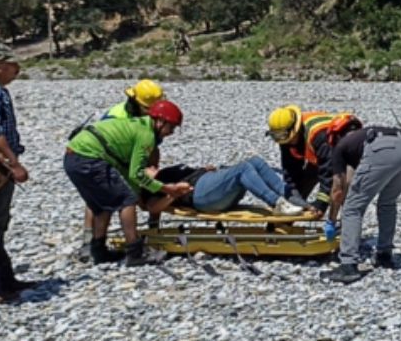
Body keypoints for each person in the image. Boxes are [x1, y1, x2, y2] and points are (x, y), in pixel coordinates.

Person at [64, 100, 192, 266]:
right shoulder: (146, 135)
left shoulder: (136, 125)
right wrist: (166, 188)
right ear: (160, 122)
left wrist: (139, 191)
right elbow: (137, 173)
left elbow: (126, 170)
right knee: (127, 201)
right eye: (172, 127)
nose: (172, 132)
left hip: (72, 158)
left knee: (101, 205)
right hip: (89, 158)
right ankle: (135, 253)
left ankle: (98, 250)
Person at [78, 79, 166, 261]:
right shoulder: (117, 116)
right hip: (106, 157)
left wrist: (151, 169)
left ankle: (152, 229)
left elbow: (152, 146)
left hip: (128, 155)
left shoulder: (153, 119)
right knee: (107, 197)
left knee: (145, 186)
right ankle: (90, 243)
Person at [323, 126, 401, 284]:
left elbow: (338, 190)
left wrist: (331, 221)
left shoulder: (339, 148)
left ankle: (348, 265)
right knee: (388, 203)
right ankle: (384, 255)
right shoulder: (358, 140)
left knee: (352, 208)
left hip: (382, 150)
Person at [266, 106, 363, 219]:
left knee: (343, 192)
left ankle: (348, 228)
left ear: (295, 129)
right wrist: (293, 195)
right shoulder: (286, 138)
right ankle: (283, 224)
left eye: (282, 136)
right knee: (297, 192)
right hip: (320, 157)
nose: (282, 141)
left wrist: (321, 203)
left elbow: (328, 171)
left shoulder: (317, 134)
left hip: (346, 156)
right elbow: (291, 168)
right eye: (276, 136)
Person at [0, 44, 38, 303]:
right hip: (0, 168)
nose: (18, 70)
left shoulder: (2, 93)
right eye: (14, 65)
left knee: (0, 225)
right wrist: (14, 164)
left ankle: (6, 280)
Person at [140, 156, 305, 217]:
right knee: (243, 169)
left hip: (208, 184)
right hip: (200, 195)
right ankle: (276, 203)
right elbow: (152, 208)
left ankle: (289, 196)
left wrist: (204, 170)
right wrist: (173, 195)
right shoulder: (152, 187)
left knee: (255, 161)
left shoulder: (163, 173)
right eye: (148, 168)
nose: (153, 167)